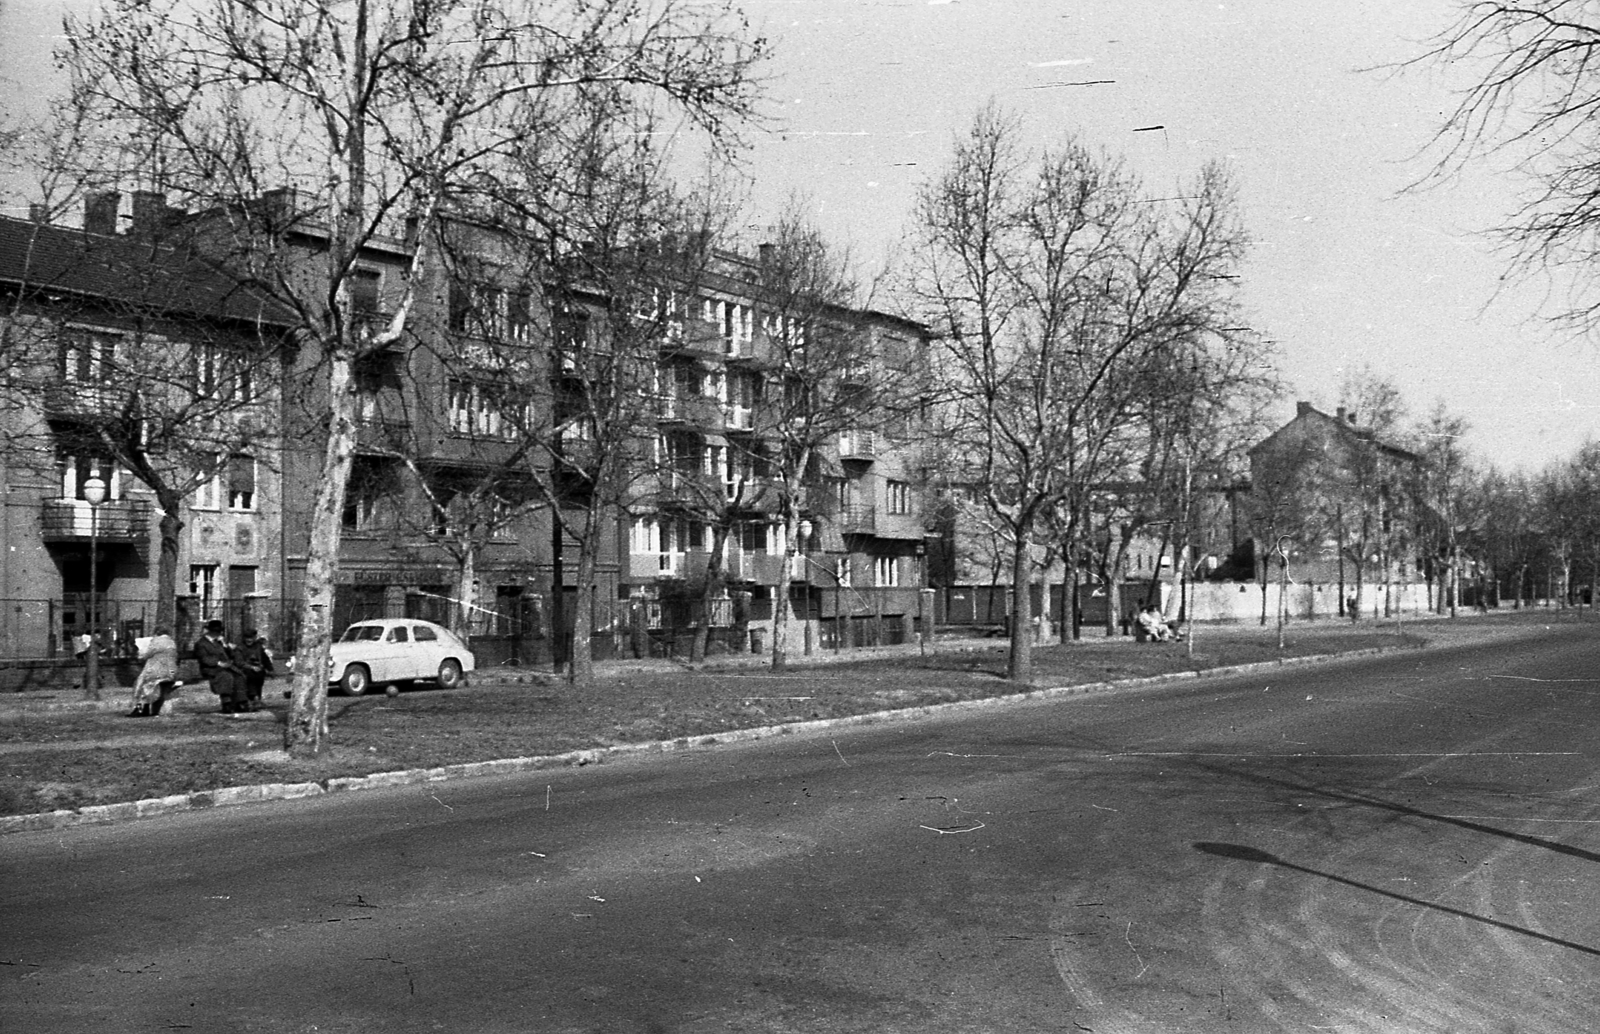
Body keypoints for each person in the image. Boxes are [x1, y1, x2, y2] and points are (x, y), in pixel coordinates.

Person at [193, 620, 246, 715]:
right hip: (211, 668)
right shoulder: (201, 644)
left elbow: (232, 655)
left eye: (219, 632)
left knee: (239, 676)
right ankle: (227, 703)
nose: (218, 634)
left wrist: (226, 646)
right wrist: (219, 663)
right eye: (216, 632)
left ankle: (241, 702)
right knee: (226, 676)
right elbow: (204, 659)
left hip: (225, 667)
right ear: (210, 632)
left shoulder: (219, 643)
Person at [127, 626, 180, 718]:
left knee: (140, 685)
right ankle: (148, 709)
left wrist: (141, 651)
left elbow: (146, 655)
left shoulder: (156, 641)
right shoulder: (172, 642)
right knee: (151, 688)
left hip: (156, 671)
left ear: (156, 633)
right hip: (171, 671)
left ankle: (140, 710)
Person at [236, 629, 275, 711]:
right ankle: (254, 697)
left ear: (254, 638)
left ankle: (257, 697)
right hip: (245, 669)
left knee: (260, 675)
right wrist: (251, 667)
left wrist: (270, 669)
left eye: (251, 638)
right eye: (247, 638)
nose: (249, 640)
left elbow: (265, 658)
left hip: (258, 668)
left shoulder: (258, 647)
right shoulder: (240, 648)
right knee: (251, 675)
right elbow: (239, 662)